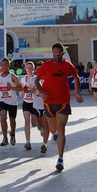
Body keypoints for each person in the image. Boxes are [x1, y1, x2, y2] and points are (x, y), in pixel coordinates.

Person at [35, 42, 84, 171]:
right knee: (53, 130)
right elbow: (36, 80)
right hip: (49, 102)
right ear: (52, 53)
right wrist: (43, 92)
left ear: (62, 53)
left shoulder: (68, 65)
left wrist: (77, 92)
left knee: (61, 128)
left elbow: (76, 77)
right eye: (55, 54)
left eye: (59, 54)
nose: (57, 56)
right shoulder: (46, 66)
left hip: (63, 102)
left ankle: (60, 159)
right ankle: (54, 133)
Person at [0, 58, 22, 147]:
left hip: (12, 101)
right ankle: (5, 138)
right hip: (2, 100)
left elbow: (20, 88)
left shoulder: (13, 76)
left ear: (9, 66)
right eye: (2, 65)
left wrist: (12, 88)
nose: (4, 67)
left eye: (6, 65)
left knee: (12, 121)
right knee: (3, 117)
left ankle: (12, 134)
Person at [22, 61, 50, 151]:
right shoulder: (33, 80)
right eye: (38, 70)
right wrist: (31, 91)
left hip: (46, 105)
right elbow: (24, 89)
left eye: (41, 69)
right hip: (36, 106)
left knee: (46, 124)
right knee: (39, 124)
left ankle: (44, 144)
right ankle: (40, 127)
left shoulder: (48, 79)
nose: (39, 71)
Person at [19, 61, 39, 149]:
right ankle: (28, 142)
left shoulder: (36, 79)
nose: (29, 69)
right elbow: (21, 91)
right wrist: (21, 92)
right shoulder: (23, 79)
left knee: (34, 124)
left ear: (34, 69)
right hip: (26, 102)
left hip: (35, 103)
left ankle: (40, 125)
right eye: (28, 68)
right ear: (25, 69)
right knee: (26, 122)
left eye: (31, 68)